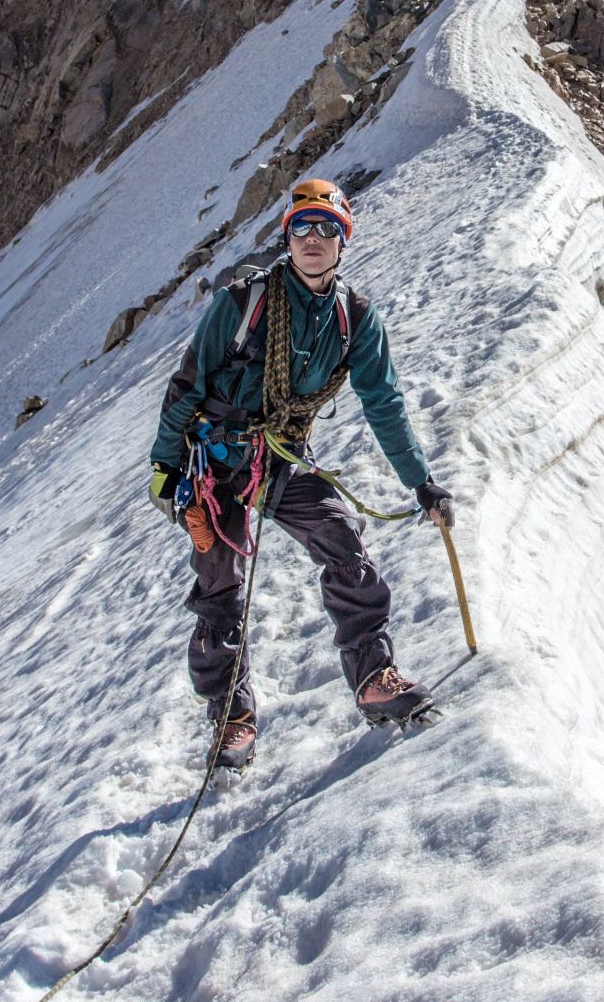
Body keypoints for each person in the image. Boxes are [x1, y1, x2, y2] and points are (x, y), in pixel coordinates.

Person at [147, 179, 456, 767]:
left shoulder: (355, 318)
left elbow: (383, 402)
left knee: (341, 538)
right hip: (214, 464)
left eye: (327, 228)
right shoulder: (242, 304)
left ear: (344, 241)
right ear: (287, 236)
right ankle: (231, 719)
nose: (314, 239)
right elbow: (186, 386)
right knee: (219, 584)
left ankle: (373, 678)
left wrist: (420, 481)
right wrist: (165, 465)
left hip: (280, 457)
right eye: (302, 227)